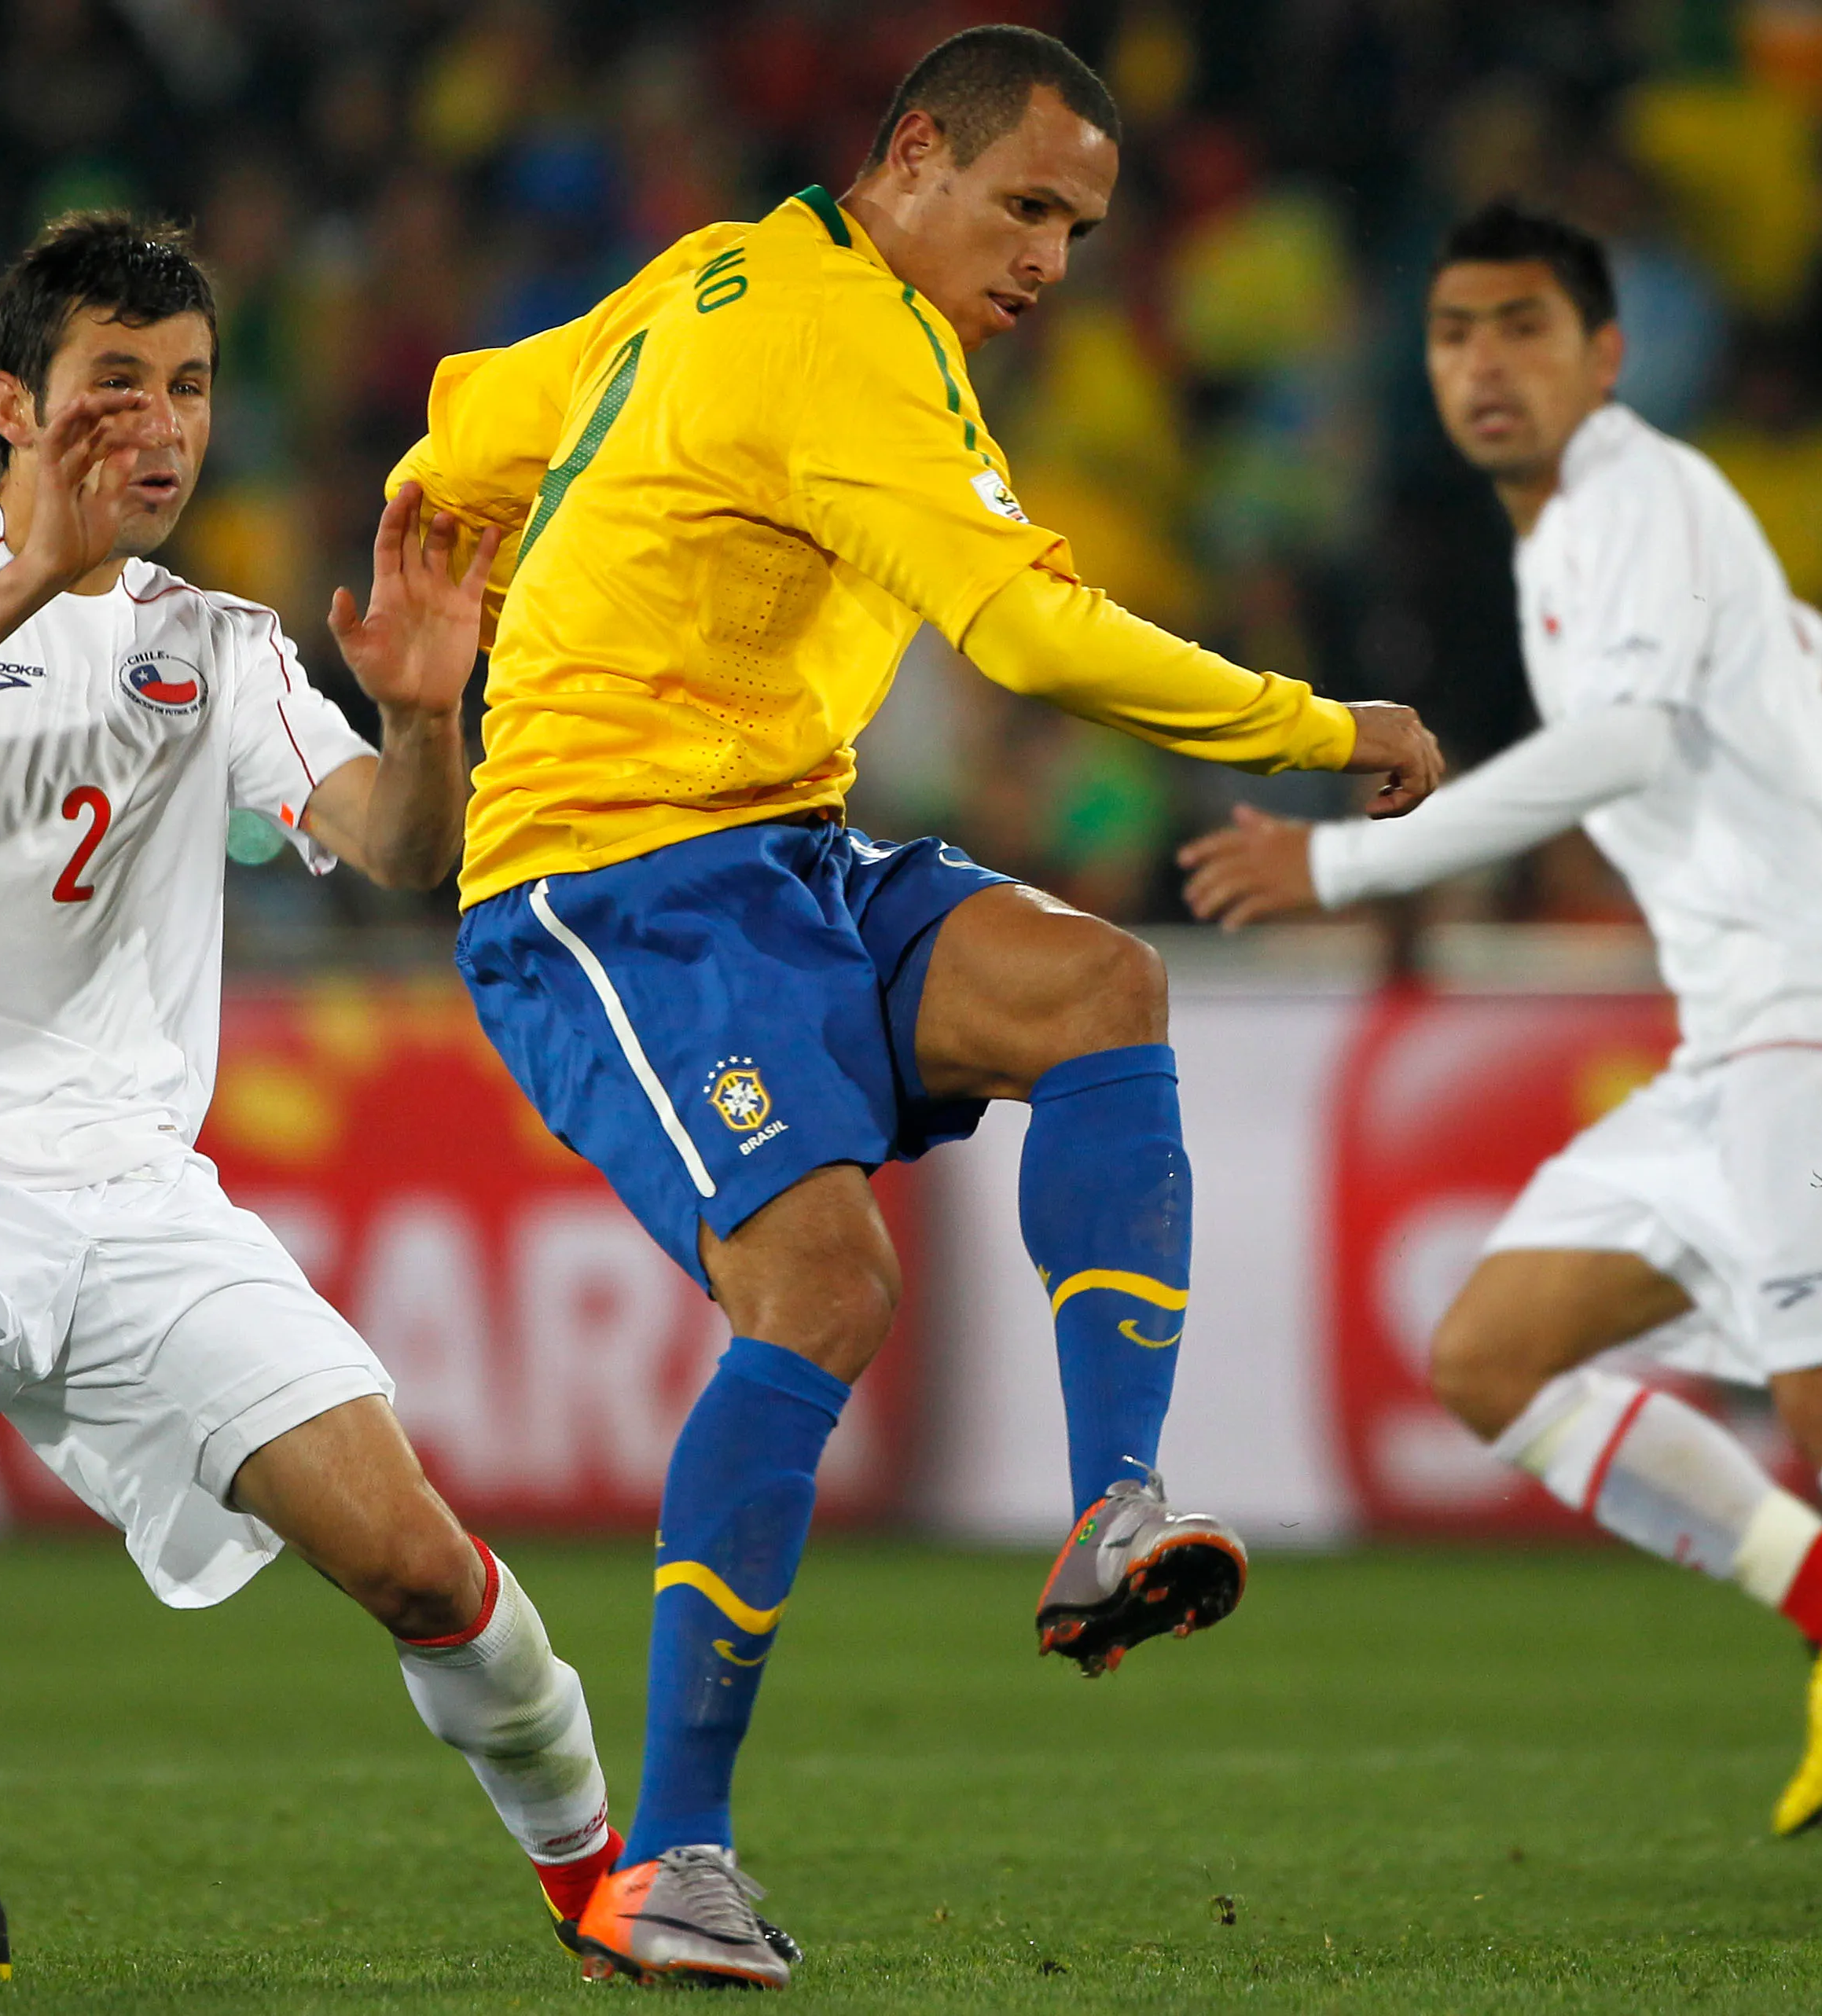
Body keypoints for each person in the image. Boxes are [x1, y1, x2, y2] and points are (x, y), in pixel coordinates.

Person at [387, 24, 1443, 1988]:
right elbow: (1028, 631)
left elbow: (465, 423)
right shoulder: (843, 342)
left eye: (1080, 225)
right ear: (912, 157)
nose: (1050, 254)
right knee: (829, 1288)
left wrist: (472, 554)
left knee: (1097, 988)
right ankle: (675, 1856)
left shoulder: (729, 268)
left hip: (781, 847)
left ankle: (1113, 1510)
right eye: (1025, 203)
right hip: (604, 883)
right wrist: (1322, 725)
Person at [1178, 200, 1822, 1877]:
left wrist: (1342, 859)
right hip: (1747, 1030)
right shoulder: (1587, 533)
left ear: (1607, 353)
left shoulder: (1635, 495)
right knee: (1489, 1354)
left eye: (1522, 327)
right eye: (1452, 332)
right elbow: (1821, 669)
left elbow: (1629, 739)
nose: (1483, 363)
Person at [0, 213, 619, 1982]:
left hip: (133, 1197)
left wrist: (430, 718)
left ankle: (605, 1880)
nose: (160, 426)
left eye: (190, 388)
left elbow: (397, 849)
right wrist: (24, 582)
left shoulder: (215, 646)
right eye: (113, 386)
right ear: (10, 404)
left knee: (426, 1569)